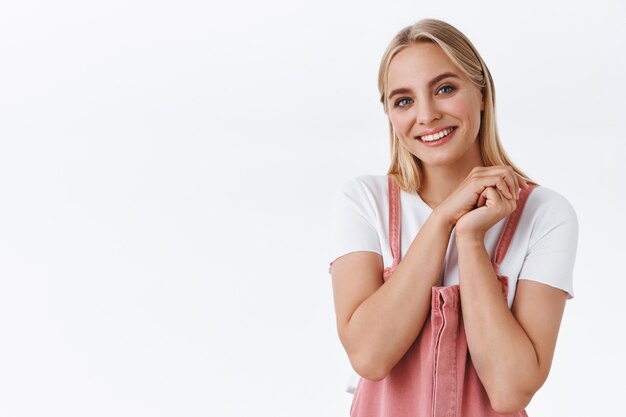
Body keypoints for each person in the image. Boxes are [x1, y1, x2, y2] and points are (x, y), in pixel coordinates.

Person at [328, 19, 578, 416]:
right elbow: (369, 355)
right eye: (404, 100)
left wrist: (471, 238)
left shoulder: (545, 214)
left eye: (445, 89)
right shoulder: (364, 201)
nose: (426, 115)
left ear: (481, 93)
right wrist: (443, 218)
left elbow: (510, 390)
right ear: (390, 115)